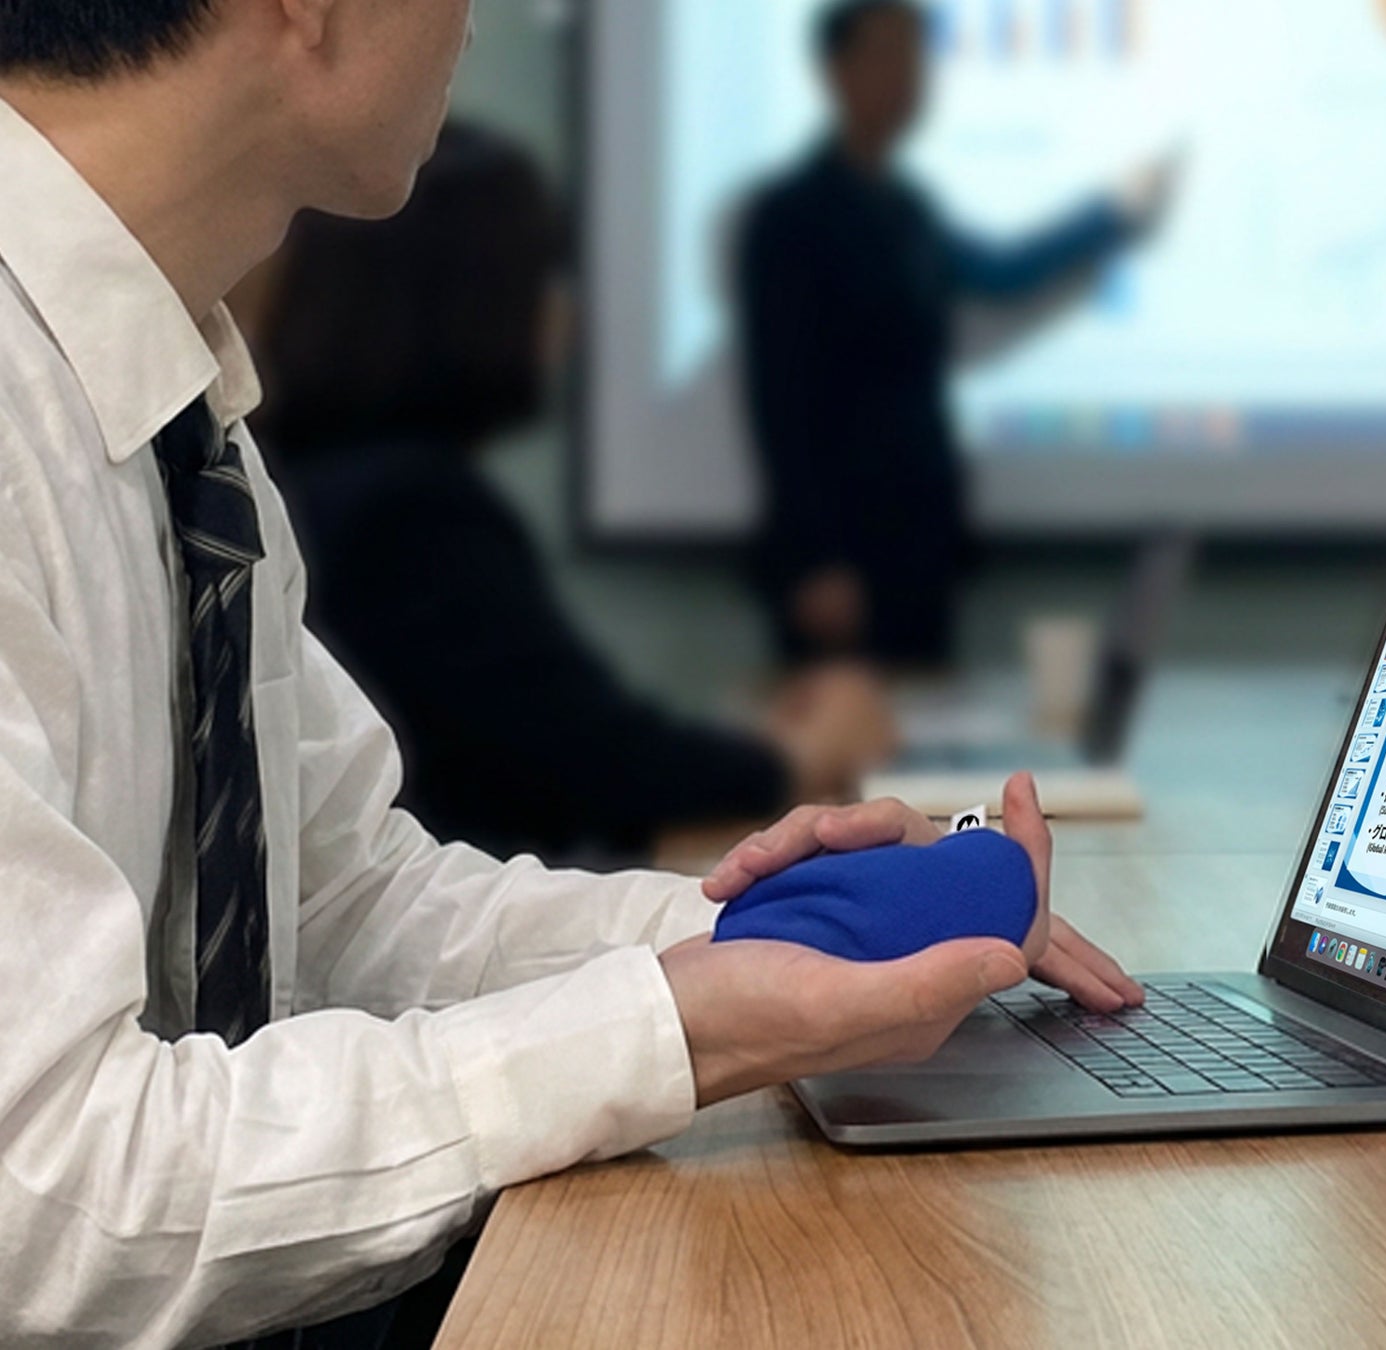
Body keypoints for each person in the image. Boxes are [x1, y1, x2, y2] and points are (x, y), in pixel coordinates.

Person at [0, 3, 1142, 1346]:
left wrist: (791, 934)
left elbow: (346, 909)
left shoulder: (179, 428)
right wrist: (680, 1029)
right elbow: (49, 1194)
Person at [239, 121, 894, 863]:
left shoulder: (311, 477)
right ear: (467, 293)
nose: (567, 313)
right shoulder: (409, 515)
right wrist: (795, 756)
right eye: (546, 273)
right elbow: (594, 762)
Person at [737, 0, 1176, 666]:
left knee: (929, 718)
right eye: (888, 55)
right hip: (839, 563)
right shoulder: (789, 217)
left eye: (916, 58)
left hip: (920, 546)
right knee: (843, 725)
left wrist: (1112, 214)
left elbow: (1002, 273)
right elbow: (779, 401)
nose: (908, 77)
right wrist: (815, 558)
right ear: (835, 72)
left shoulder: (909, 209)